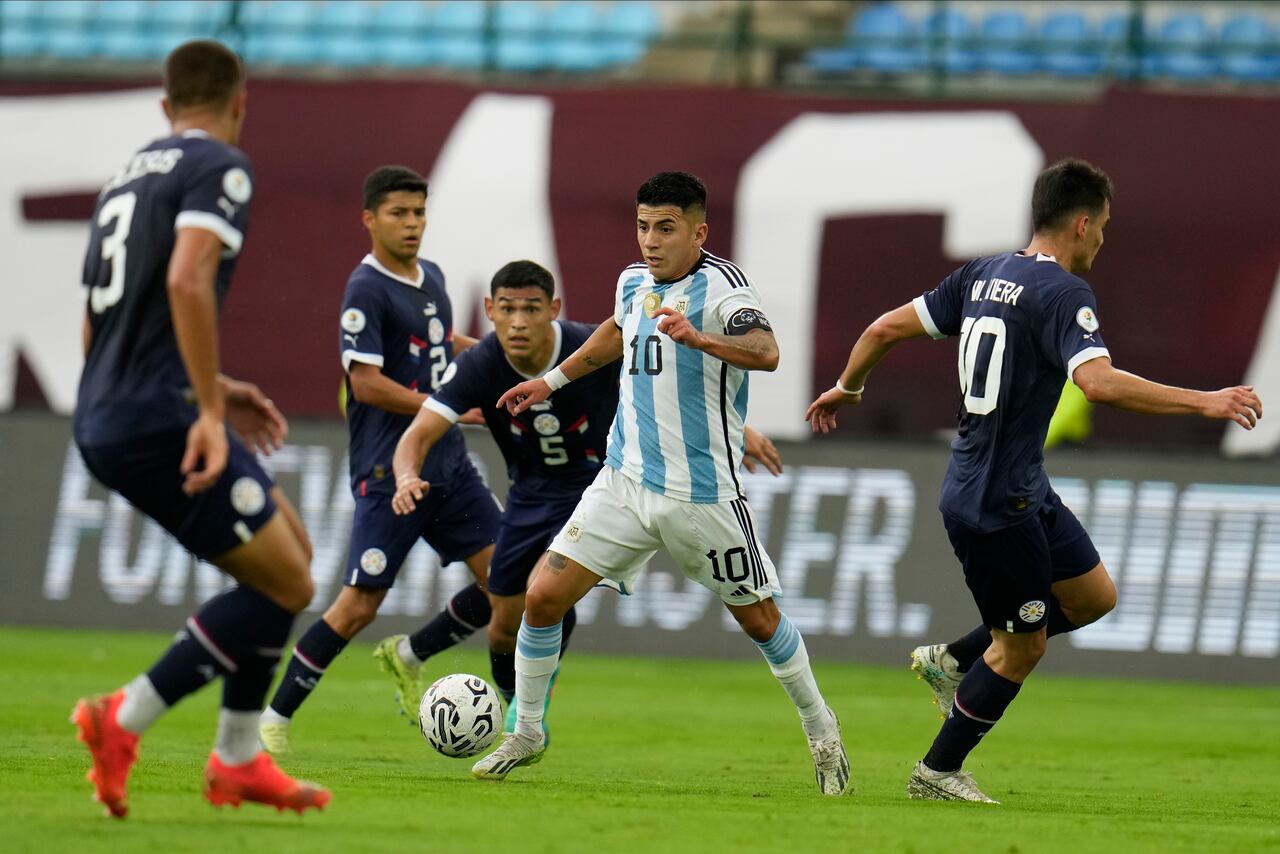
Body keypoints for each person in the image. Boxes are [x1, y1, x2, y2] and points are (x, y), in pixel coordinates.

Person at [805, 158, 1263, 803]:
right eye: (1102, 226)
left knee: (1094, 597)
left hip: (1011, 484)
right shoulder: (1064, 294)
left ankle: (954, 663)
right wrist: (1205, 401)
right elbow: (1097, 382)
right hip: (998, 504)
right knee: (1022, 649)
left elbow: (884, 327)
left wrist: (848, 387)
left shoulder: (983, 274)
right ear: (1081, 224)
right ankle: (935, 773)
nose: (1103, 238)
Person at [467, 172, 850, 796]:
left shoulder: (724, 288)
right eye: (643, 226)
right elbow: (617, 332)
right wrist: (552, 383)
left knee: (760, 621)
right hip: (623, 481)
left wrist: (699, 337)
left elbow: (767, 349)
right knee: (541, 597)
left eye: (666, 228)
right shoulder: (632, 281)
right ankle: (529, 730)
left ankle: (821, 727)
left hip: (702, 497)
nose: (651, 240)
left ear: (699, 231)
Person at [70, 40, 330, 817]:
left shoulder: (127, 176)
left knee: (290, 556)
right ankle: (123, 719)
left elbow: (101, 322)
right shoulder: (219, 166)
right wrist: (208, 415)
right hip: (157, 417)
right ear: (239, 102)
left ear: (164, 106)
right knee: (288, 582)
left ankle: (238, 759)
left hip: (109, 407)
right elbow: (188, 276)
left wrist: (211, 385)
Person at [390, 260, 784, 735]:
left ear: (553, 310)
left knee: (549, 588)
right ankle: (505, 698)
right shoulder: (480, 364)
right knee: (502, 622)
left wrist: (741, 428)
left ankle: (527, 714)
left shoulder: (588, 345)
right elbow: (419, 433)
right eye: (508, 309)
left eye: (531, 309)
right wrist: (406, 475)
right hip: (529, 494)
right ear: (490, 311)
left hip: (601, 482)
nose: (519, 321)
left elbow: (666, 381)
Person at [258, 166, 502, 753]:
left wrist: (500, 363)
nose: (412, 224)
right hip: (387, 471)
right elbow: (365, 383)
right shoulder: (365, 290)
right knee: (358, 606)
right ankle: (274, 717)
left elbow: (448, 346)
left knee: (509, 584)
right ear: (370, 219)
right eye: (399, 213)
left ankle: (413, 655)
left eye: (419, 212)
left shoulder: (433, 277)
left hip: (451, 468)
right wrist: (444, 405)